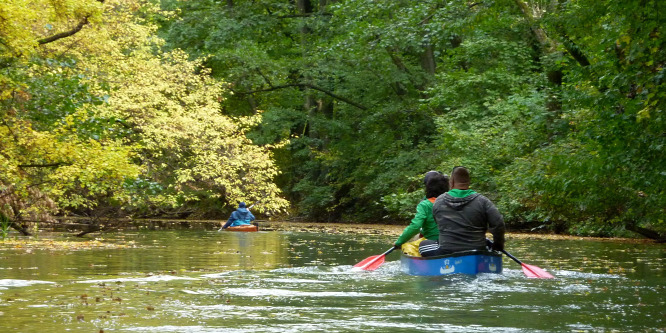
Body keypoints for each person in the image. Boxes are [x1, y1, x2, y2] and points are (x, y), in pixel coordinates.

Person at [419, 166, 505, 257]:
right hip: (477, 249)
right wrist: (498, 245)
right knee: (488, 244)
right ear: (468, 182)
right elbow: (498, 224)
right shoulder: (483, 201)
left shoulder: (439, 201)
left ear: (451, 183)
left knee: (423, 245)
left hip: (447, 250)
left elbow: (438, 223)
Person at [394, 172, 449, 255]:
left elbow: (415, 226)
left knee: (406, 246)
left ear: (428, 188)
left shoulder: (425, 204)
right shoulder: (453, 201)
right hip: (451, 241)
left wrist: (399, 242)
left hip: (433, 242)